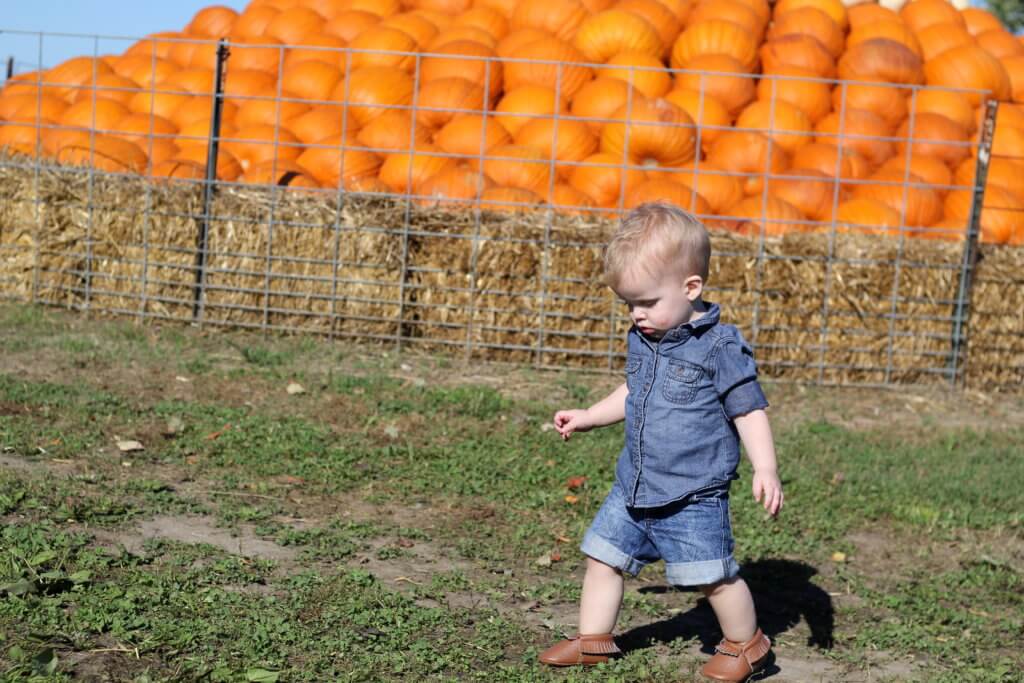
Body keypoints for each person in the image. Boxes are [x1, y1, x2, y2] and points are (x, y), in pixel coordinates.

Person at [538, 202, 784, 682]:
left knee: (712, 575)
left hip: (691, 495)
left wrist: (766, 468)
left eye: (647, 302)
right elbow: (634, 390)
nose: (637, 314)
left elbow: (749, 409)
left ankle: (746, 644)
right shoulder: (644, 338)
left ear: (691, 287)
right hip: (635, 485)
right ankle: (593, 639)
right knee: (603, 555)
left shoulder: (720, 348)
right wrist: (590, 416)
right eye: (629, 303)